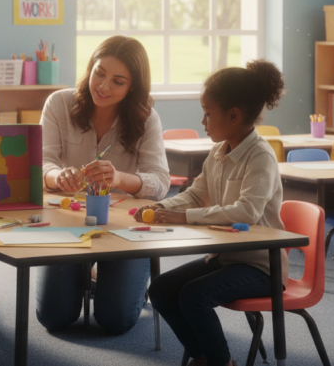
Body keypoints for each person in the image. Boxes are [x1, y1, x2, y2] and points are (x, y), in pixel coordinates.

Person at [142, 59, 288, 366]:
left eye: (208, 113)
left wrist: (183, 217)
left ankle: (221, 363)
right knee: (162, 288)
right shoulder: (217, 152)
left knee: (194, 296)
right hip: (226, 258)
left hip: (261, 266)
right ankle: (205, 357)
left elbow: (247, 211)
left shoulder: (260, 156)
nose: (203, 121)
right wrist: (161, 207)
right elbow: (197, 194)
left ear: (233, 115)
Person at [39, 35, 170, 335]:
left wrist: (120, 178)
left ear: (133, 86)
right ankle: (96, 272)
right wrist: (57, 177)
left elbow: (161, 182)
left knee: (114, 321)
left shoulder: (146, 118)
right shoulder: (59, 103)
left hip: (123, 227)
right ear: (90, 68)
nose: (103, 86)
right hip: (68, 224)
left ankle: (119, 276)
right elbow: (42, 164)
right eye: (99, 73)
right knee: (53, 318)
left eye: (118, 81)